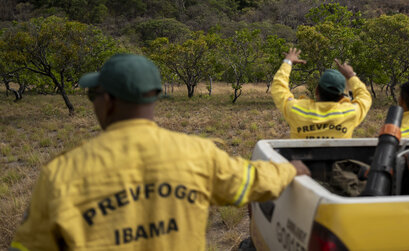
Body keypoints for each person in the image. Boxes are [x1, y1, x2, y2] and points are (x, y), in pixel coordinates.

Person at [11, 53, 309, 251]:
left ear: (109, 102)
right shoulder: (199, 154)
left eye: (93, 95)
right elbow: (252, 181)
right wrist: (291, 169)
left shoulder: (60, 175)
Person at [272, 48, 372, 139]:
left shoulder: (295, 109)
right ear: (342, 96)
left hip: (301, 159)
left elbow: (278, 86)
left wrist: (288, 62)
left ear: (316, 91)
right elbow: (365, 96)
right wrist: (351, 75)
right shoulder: (351, 113)